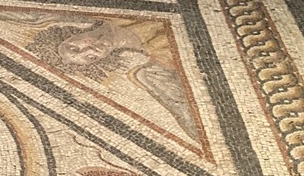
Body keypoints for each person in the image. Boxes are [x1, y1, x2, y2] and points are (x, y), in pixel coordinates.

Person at [25, 19, 199, 140]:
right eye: (90, 58)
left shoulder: (99, 19)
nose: (89, 50)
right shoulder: (149, 61)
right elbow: (183, 110)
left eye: (74, 48)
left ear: (69, 35)